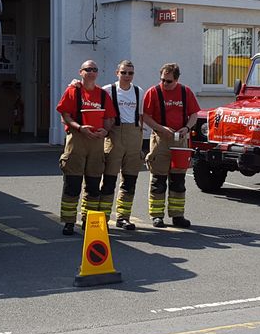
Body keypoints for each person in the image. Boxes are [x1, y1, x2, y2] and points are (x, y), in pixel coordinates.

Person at [56, 60, 115, 236]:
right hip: (76, 140)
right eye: (88, 69)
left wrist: (106, 130)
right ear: (80, 72)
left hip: (97, 142)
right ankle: (68, 222)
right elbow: (65, 115)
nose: (91, 72)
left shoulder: (103, 95)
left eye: (94, 69)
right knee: (72, 184)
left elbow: (110, 117)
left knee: (93, 184)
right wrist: (79, 127)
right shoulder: (73, 91)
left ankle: (88, 221)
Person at [142, 63, 201, 228]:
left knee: (178, 180)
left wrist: (187, 128)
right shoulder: (153, 92)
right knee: (158, 180)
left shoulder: (185, 92)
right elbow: (146, 117)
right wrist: (161, 128)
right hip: (160, 140)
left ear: (177, 79)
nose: (164, 84)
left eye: (168, 81)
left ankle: (177, 216)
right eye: (162, 80)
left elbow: (194, 114)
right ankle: (157, 216)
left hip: (180, 140)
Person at [101, 60, 145, 230]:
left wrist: (140, 139)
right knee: (109, 180)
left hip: (134, 136)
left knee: (130, 180)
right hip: (114, 136)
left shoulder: (138, 91)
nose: (127, 76)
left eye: (130, 73)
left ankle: (123, 217)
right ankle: (103, 216)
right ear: (117, 73)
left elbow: (140, 116)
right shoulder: (108, 90)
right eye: (124, 72)